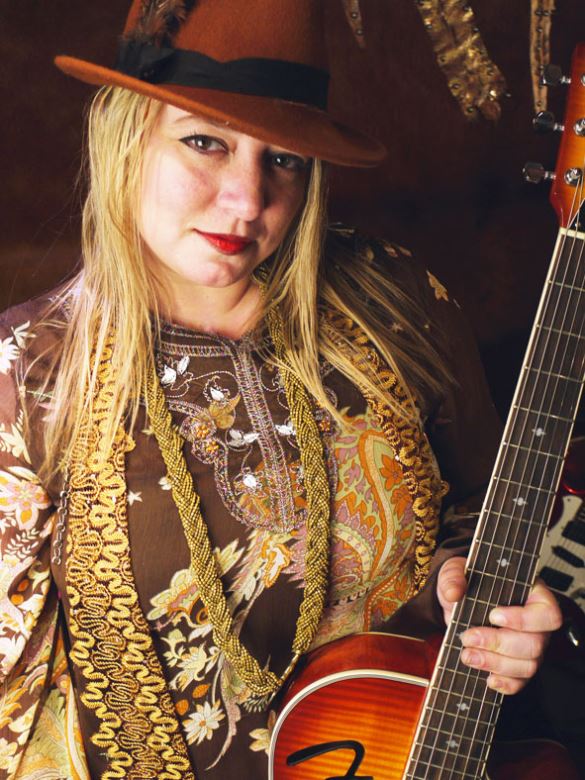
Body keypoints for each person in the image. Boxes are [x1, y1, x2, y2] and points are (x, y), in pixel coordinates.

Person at [0, 1, 563, 778]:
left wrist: (482, 600)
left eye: (285, 159)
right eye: (205, 142)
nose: (247, 199)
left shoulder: (394, 299)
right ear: (124, 135)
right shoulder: (25, 380)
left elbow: (481, 511)